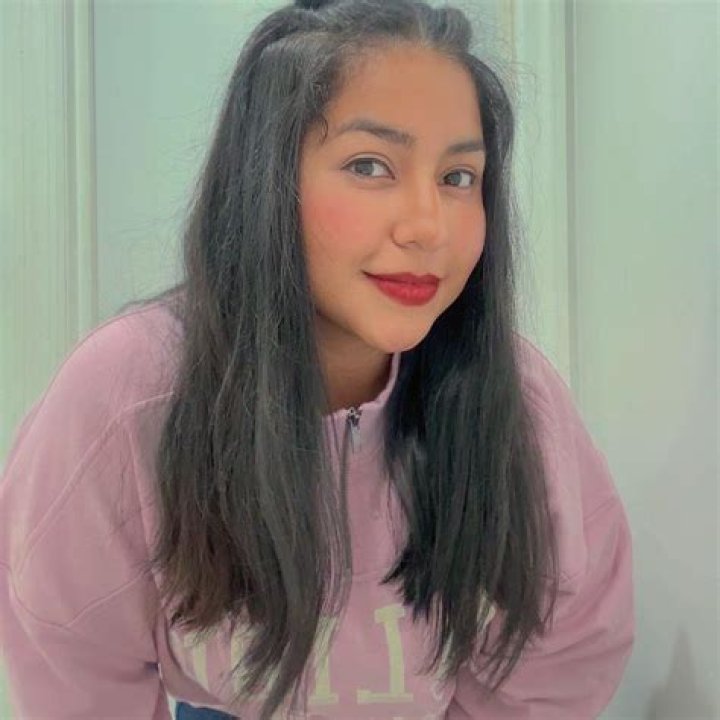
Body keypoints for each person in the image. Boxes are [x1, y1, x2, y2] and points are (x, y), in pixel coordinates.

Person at [0, 0, 635, 718]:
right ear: (266, 182)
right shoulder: (125, 394)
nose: (428, 226)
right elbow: (73, 660)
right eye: (370, 166)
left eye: (459, 177)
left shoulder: (517, 397)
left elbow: (565, 648)